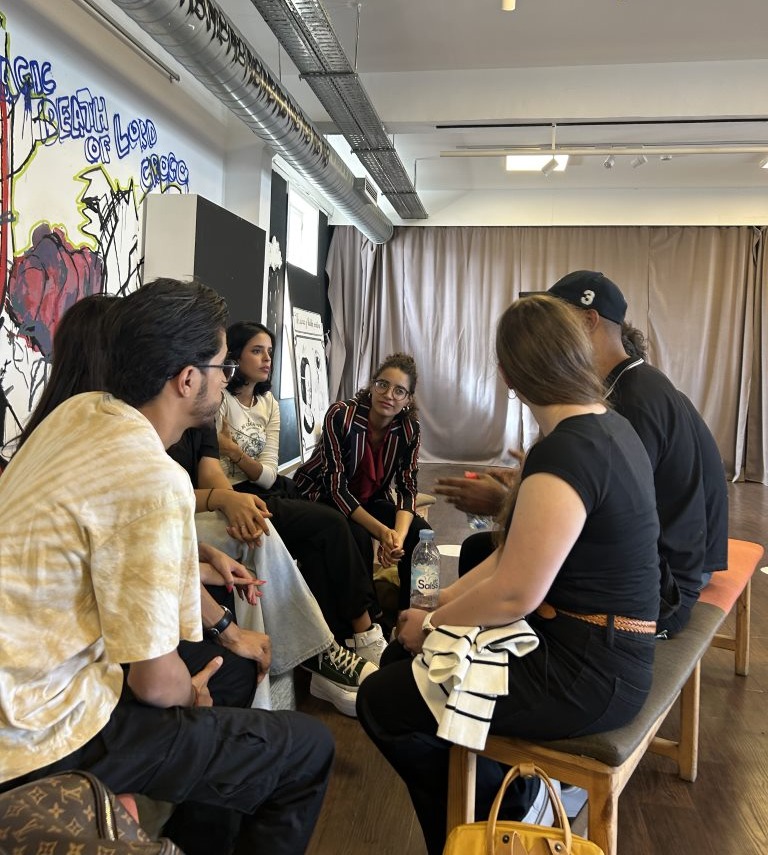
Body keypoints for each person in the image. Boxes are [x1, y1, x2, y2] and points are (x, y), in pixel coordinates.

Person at [0, 279, 334, 855]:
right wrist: (188, 699)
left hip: (30, 686)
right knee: (308, 749)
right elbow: (155, 683)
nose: (227, 378)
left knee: (221, 678)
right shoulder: (153, 478)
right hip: (33, 734)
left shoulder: (78, 415)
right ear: (187, 379)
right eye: (222, 367)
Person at [356, 295, 660, 855]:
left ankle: (489, 818)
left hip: (587, 671)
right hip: (603, 651)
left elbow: (517, 591)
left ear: (508, 373)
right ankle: (491, 808)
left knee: (380, 700)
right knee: (402, 664)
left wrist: (432, 622)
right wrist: (437, 603)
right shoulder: (603, 429)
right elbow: (509, 556)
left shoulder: (568, 452)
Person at [548, 270, 728, 634]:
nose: (547, 338)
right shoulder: (634, 382)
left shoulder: (632, 399)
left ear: (588, 320)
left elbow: (610, 512)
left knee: (522, 566)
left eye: (555, 324)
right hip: (677, 564)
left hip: (666, 590)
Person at [168, 423, 378, 717]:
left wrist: (233, 505)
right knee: (265, 537)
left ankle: (341, 642)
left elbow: (215, 473)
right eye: (222, 373)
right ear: (188, 377)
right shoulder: (148, 419)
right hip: (182, 515)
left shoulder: (205, 415)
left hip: (210, 503)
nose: (224, 379)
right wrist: (224, 498)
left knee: (319, 527)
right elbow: (163, 503)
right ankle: (319, 654)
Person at [217, 320, 387, 664]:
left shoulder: (269, 405)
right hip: (235, 493)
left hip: (269, 486)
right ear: (234, 356)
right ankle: (364, 629)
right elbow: (236, 475)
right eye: (256, 350)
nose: (267, 359)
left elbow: (267, 473)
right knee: (328, 526)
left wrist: (233, 451)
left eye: (269, 351)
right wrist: (243, 462)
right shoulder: (219, 400)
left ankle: (341, 631)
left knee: (343, 523)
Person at [294, 352, 431, 614]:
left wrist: (396, 540)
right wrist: (382, 532)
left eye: (399, 390)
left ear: (408, 399)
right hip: (320, 495)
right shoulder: (341, 415)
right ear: (372, 385)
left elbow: (406, 487)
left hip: (368, 499)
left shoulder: (409, 429)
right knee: (355, 535)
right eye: (383, 384)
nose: (389, 395)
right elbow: (336, 488)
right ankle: (368, 617)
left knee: (418, 532)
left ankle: (409, 614)